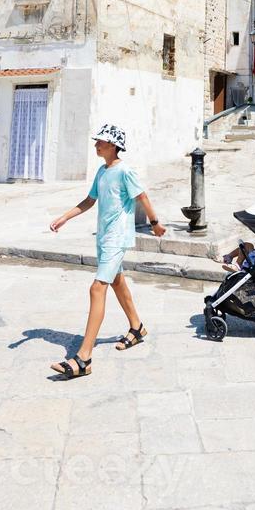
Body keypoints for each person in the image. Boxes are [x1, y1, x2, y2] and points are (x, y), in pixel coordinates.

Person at [47, 123, 165, 379]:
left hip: (117, 237)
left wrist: (155, 224)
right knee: (116, 281)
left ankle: (83, 357)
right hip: (103, 238)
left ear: (113, 145)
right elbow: (90, 201)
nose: (96, 145)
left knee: (97, 287)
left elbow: (141, 196)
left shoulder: (124, 171)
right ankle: (137, 327)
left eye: (100, 141)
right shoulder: (102, 171)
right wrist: (65, 217)